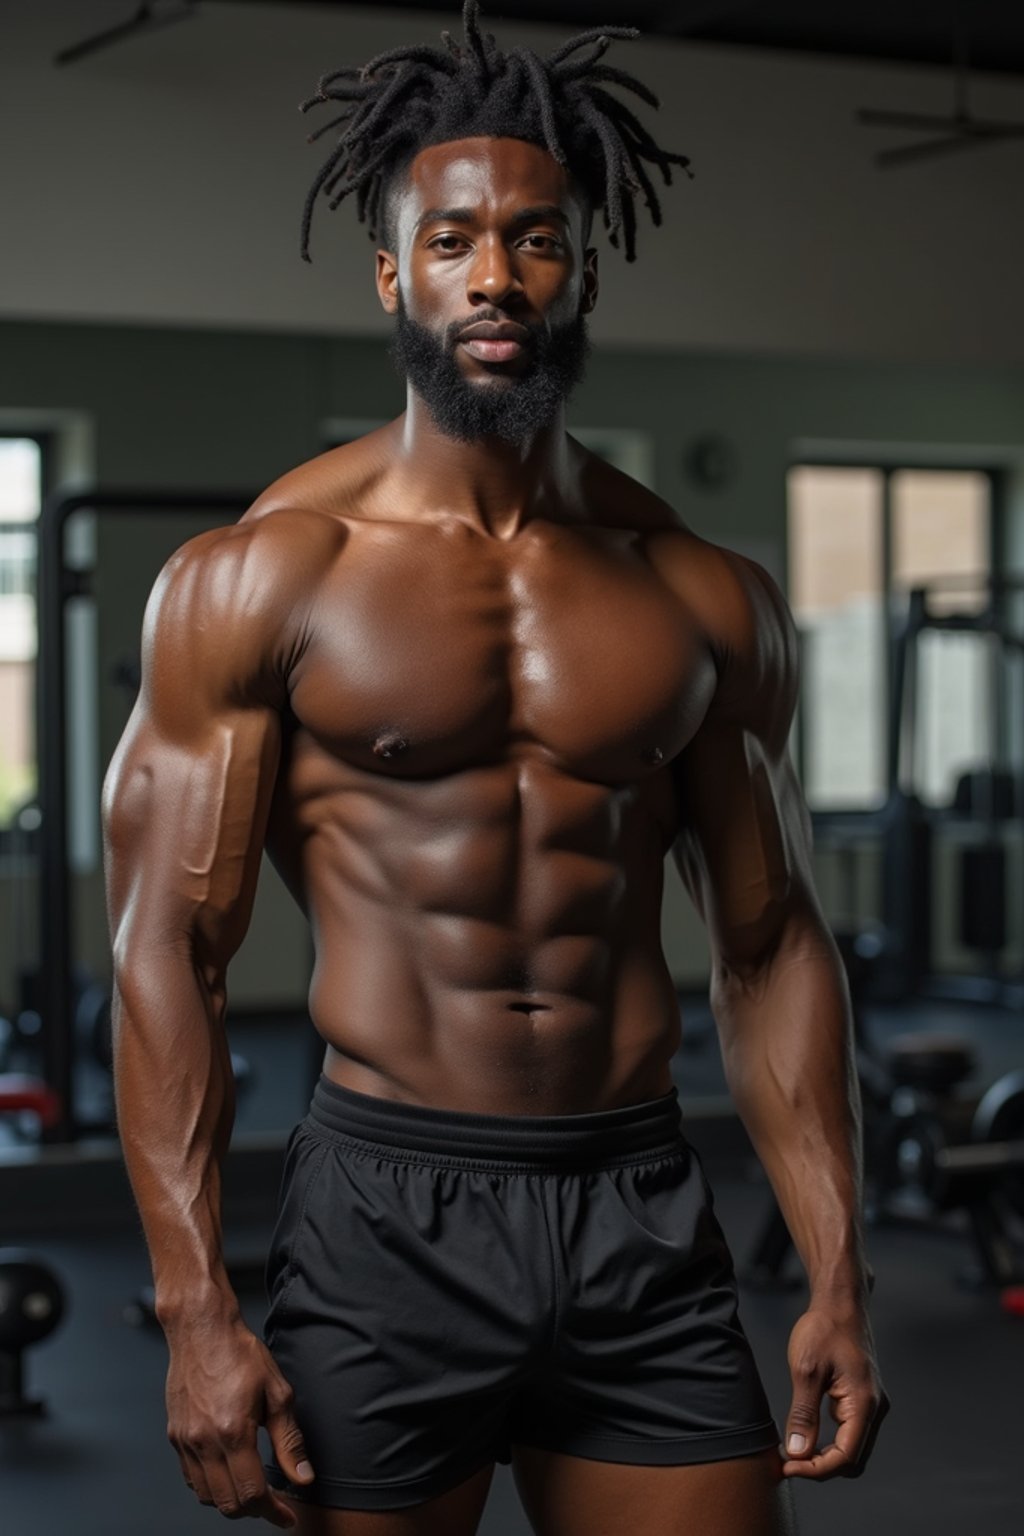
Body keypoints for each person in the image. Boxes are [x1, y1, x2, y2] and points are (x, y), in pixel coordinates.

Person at [101, 4, 888, 1532]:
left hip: (640, 1205)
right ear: (396, 275)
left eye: (535, 239)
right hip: (386, 1206)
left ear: (580, 267)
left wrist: (840, 1275)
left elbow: (772, 937)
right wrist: (197, 1310)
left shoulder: (700, 592)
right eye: (453, 241)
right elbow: (167, 949)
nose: (496, 276)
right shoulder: (265, 578)